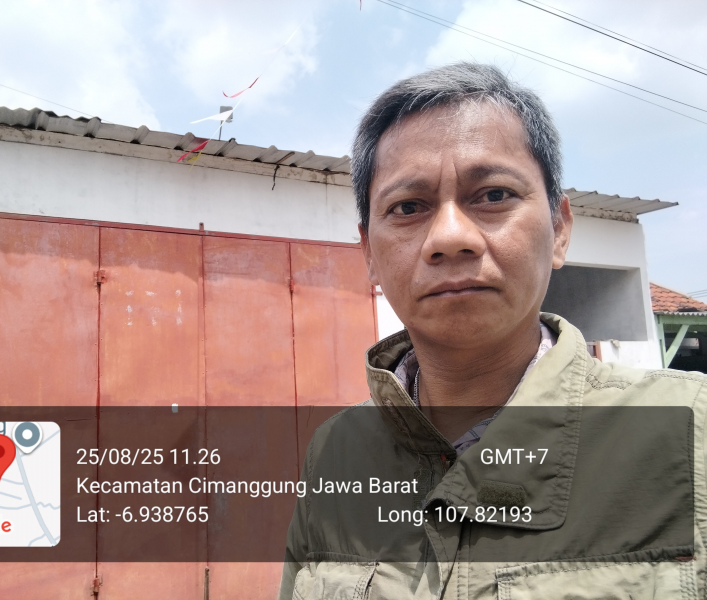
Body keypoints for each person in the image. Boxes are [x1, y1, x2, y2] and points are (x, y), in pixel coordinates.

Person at [278, 63, 706, 599]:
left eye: (494, 195)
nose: (450, 237)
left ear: (559, 229)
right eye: (408, 207)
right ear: (368, 253)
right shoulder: (335, 453)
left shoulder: (688, 432)